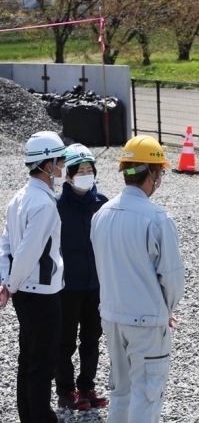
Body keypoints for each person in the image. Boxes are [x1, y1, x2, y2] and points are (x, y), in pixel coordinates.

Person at [90, 135, 185, 422]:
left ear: (126, 171)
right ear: (153, 174)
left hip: (112, 316)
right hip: (145, 322)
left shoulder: (102, 213)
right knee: (146, 396)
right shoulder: (157, 219)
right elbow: (172, 278)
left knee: (121, 392)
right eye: (161, 173)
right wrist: (163, 311)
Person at [0, 131, 67, 423]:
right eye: (59, 160)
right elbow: (28, 251)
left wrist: (6, 282)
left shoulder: (19, 197)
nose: (63, 167)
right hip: (41, 292)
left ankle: (29, 415)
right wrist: (10, 285)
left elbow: (6, 244)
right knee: (42, 363)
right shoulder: (44, 203)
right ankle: (40, 417)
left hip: (24, 292)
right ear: (47, 164)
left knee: (27, 358)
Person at [55, 144, 109, 411]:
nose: (87, 175)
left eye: (90, 170)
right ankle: (65, 390)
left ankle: (87, 385)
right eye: (81, 171)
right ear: (68, 176)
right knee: (65, 340)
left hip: (96, 285)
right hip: (67, 287)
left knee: (92, 337)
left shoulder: (103, 204)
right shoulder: (56, 207)